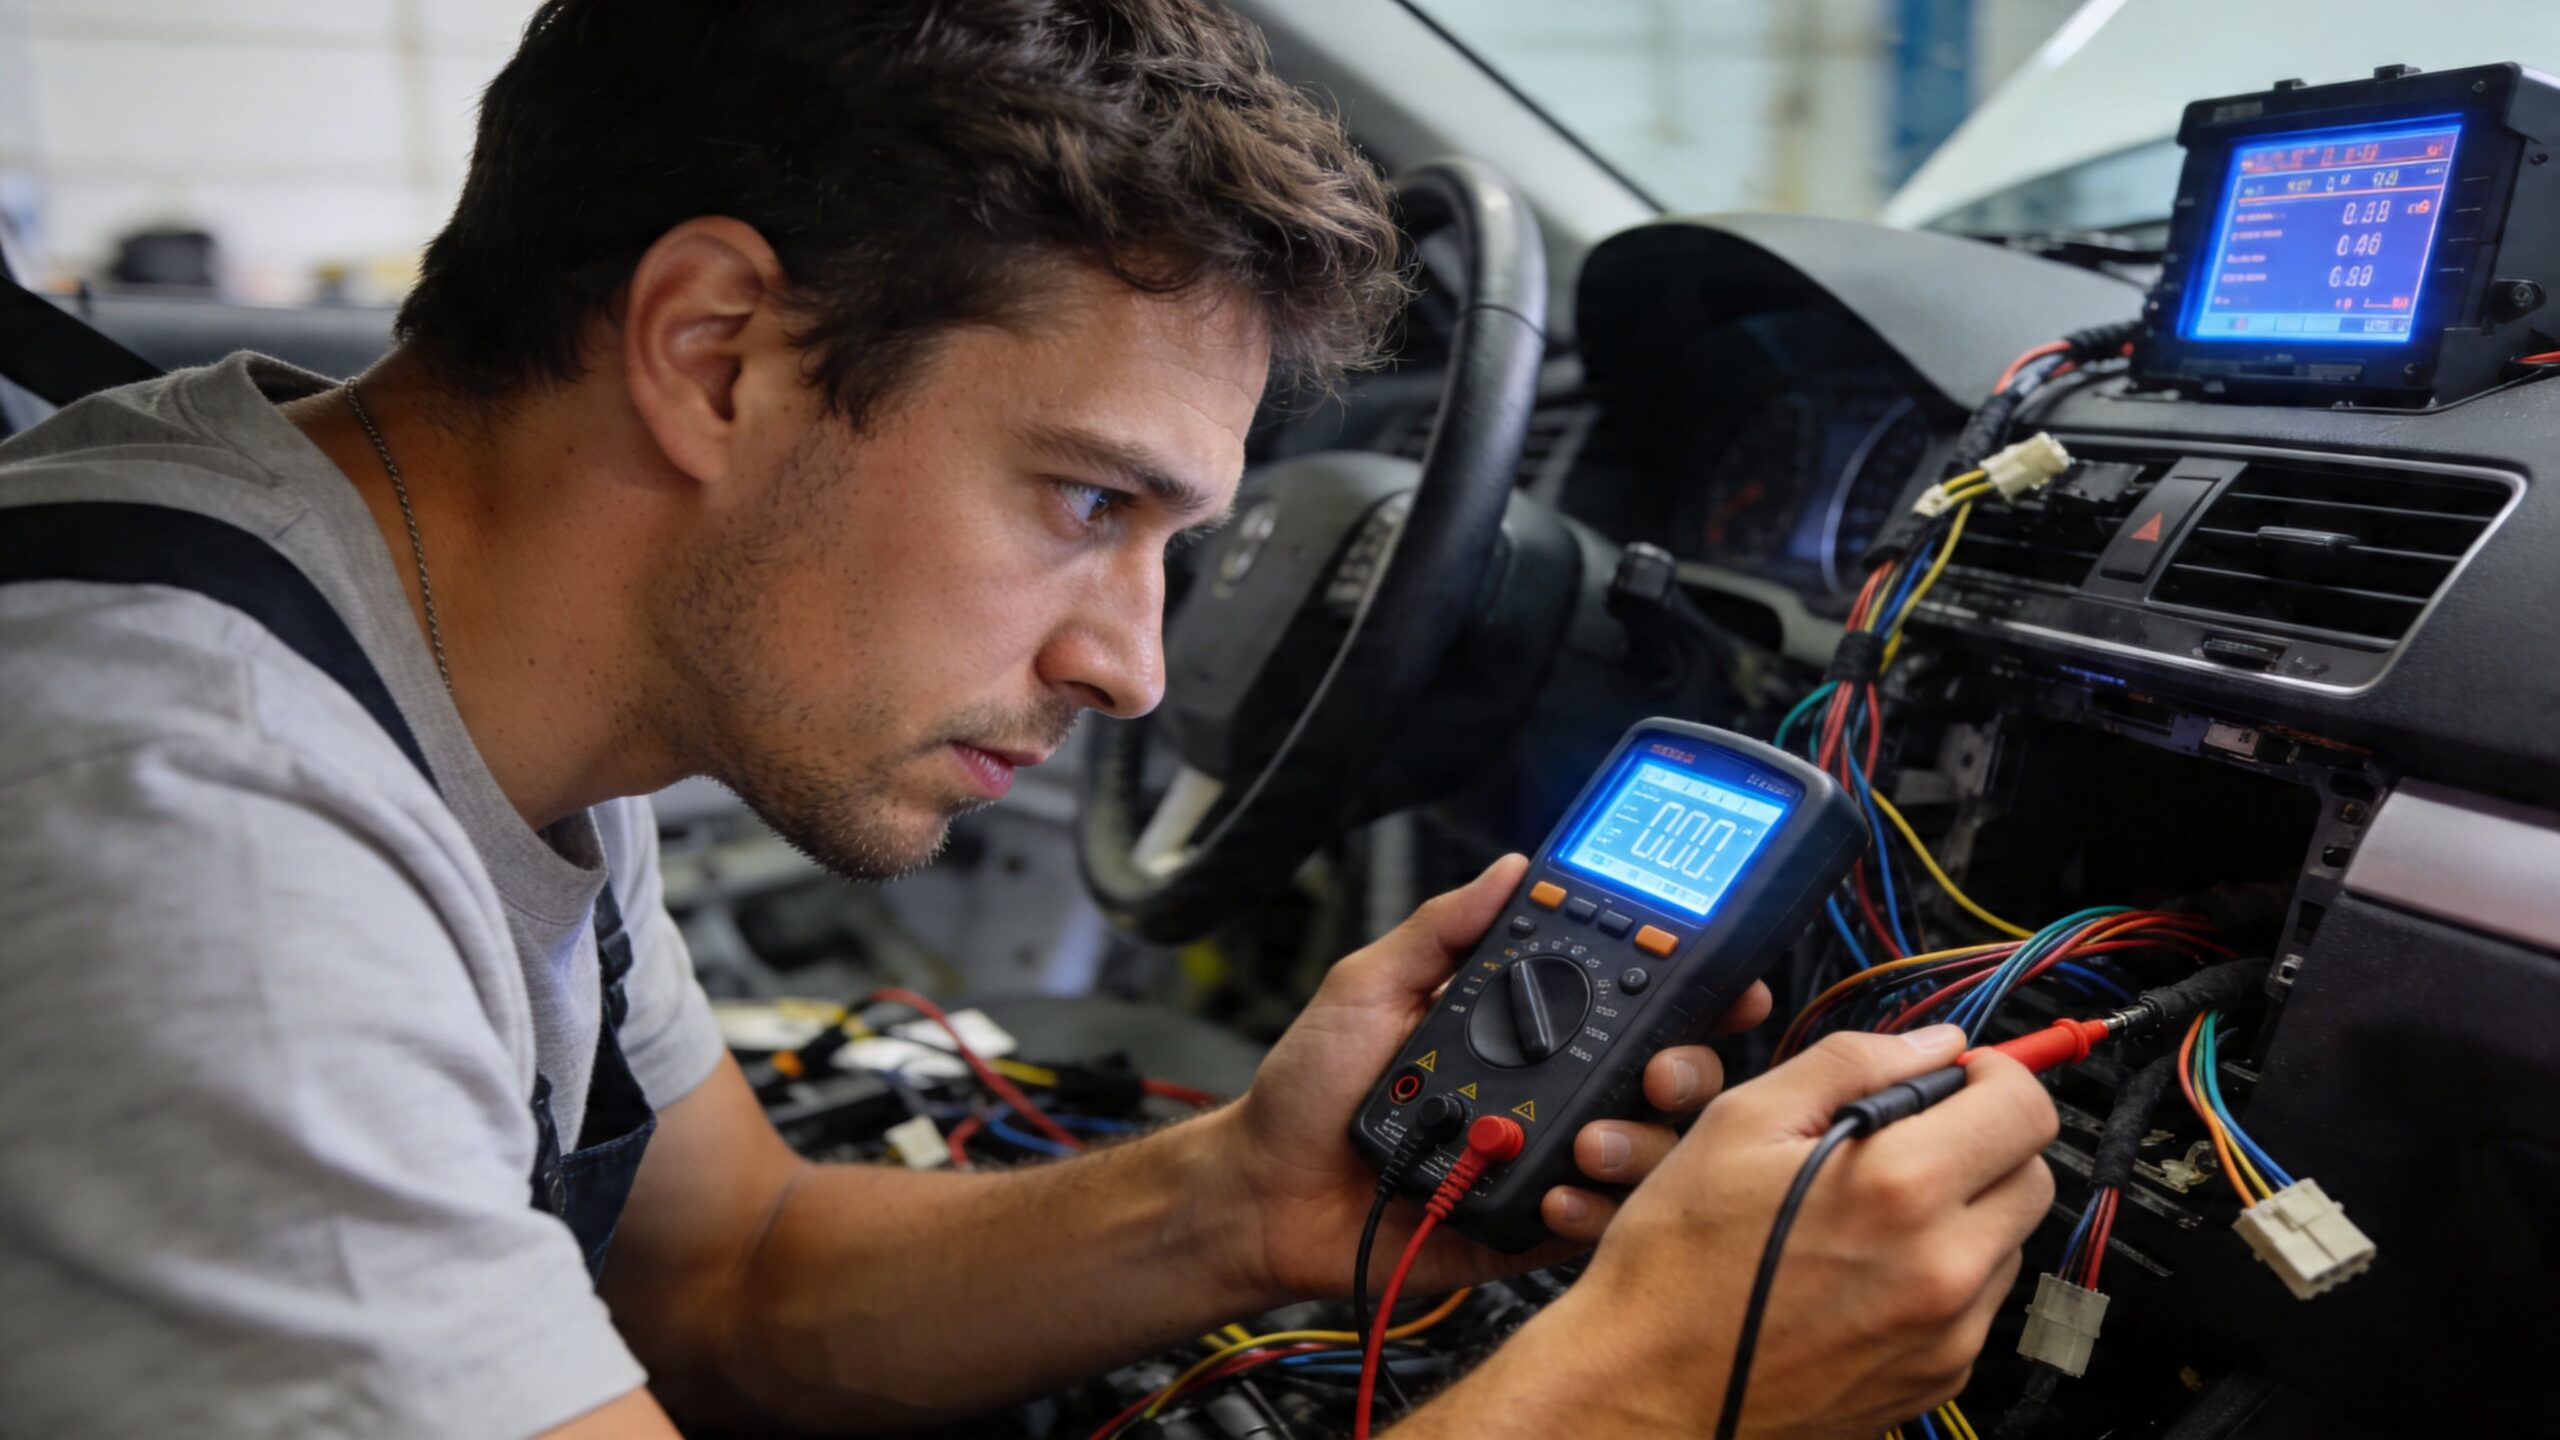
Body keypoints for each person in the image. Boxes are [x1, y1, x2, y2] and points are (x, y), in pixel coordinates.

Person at [0, 1, 2057, 1435]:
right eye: (1088, 504)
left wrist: (1243, 1199)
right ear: (714, 356)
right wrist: (1648, 1389)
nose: (1132, 667)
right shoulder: (197, 824)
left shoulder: (446, 634)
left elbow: (727, 1283)